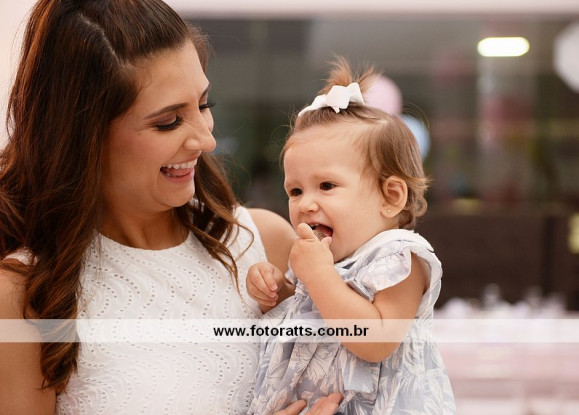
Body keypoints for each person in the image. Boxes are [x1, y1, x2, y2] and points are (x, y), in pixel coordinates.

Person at [0, 1, 341, 414]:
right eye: (168, 122)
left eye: (204, 105)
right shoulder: (25, 295)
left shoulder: (265, 242)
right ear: (82, 134)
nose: (207, 140)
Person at [246, 58, 456, 414]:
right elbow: (308, 315)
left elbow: (376, 341)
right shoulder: (322, 261)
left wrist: (318, 276)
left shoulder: (399, 257)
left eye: (327, 185)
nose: (306, 204)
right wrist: (278, 293)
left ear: (390, 197)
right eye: (295, 191)